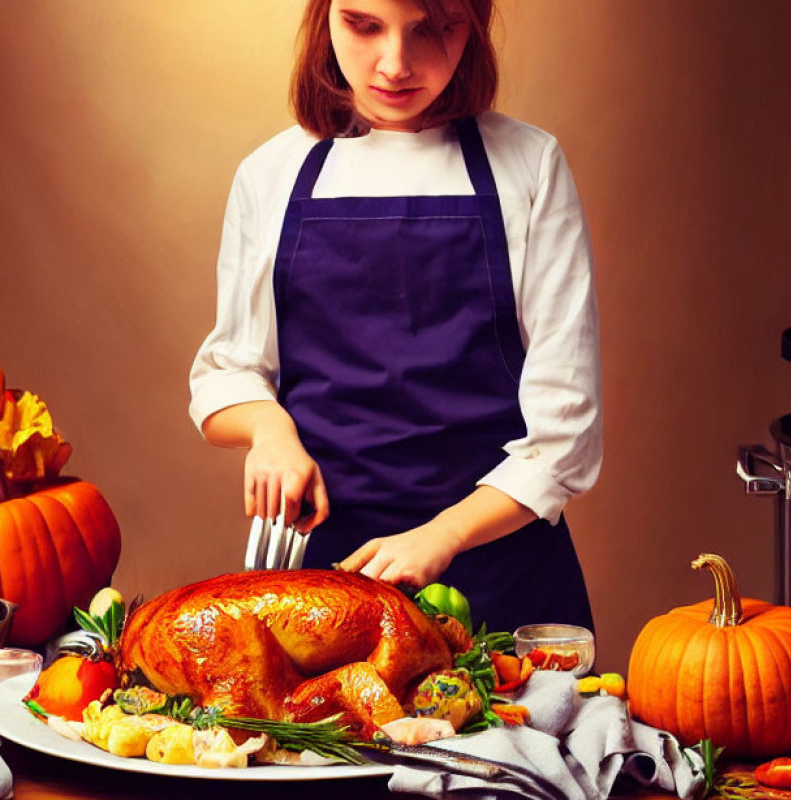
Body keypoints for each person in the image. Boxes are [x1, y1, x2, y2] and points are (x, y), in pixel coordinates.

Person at [189, 0, 601, 634]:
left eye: (432, 29)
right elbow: (226, 372)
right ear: (323, 16)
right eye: (363, 25)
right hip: (327, 579)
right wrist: (269, 430)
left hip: (501, 580)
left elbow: (565, 438)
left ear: (475, 22)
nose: (395, 64)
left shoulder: (529, 165)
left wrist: (443, 535)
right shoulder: (271, 173)